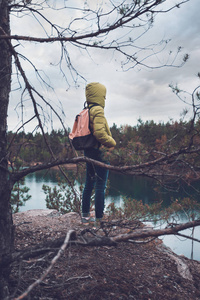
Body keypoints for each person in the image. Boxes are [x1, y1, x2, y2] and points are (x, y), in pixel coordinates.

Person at [82, 82, 116, 225]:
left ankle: (84, 217)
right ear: (100, 95)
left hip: (88, 151)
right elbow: (100, 133)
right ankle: (99, 219)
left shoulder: (86, 110)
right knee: (100, 186)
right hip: (99, 152)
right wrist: (112, 143)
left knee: (89, 184)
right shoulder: (98, 111)